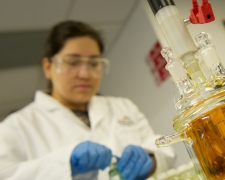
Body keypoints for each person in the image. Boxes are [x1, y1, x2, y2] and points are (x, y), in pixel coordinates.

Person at [0, 20, 175, 180]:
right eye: (72, 62)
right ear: (48, 67)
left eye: (93, 63)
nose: (85, 74)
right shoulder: (15, 127)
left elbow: (163, 147)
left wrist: (152, 159)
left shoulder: (123, 106)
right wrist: (63, 163)